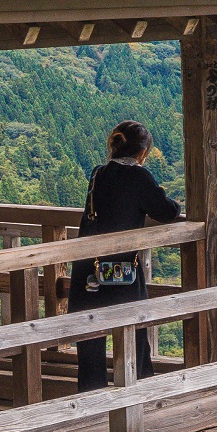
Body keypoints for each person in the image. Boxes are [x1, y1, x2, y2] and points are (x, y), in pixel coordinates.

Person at [69, 121, 181, 391]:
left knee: (90, 332)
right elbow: (167, 211)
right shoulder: (139, 177)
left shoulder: (98, 174)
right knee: (134, 328)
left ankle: (90, 393)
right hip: (120, 268)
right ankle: (138, 387)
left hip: (89, 265)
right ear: (143, 152)